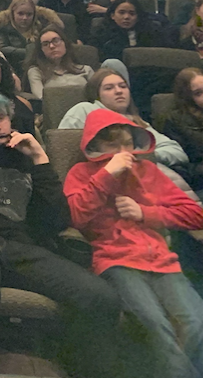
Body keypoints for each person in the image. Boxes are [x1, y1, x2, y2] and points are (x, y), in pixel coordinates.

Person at [0, 85, 121, 374]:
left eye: (0, 117)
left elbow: (57, 220)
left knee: (101, 297)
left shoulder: (27, 156)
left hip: (23, 246)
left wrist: (41, 160)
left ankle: (78, 368)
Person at [63, 107, 203, 378]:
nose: (122, 150)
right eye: (112, 144)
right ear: (94, 145)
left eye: (126, 143)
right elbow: (74, 216)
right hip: (115, 260)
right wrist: (106, 175)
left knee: (196, 324)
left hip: (161, 260)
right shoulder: (81, 173)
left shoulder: (147, 170)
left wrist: (146, 213)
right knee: (155, 324)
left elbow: (195, 214)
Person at [58, 66, 190, 182]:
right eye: (109, 88)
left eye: (123, 86)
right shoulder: (84, 110)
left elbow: (177, 152)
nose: (118, 91)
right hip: (96, 180)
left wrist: (140, 155)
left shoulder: (137, 121)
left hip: (139, 181)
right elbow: (62, 153)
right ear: (97, 95)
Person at [24, 24, 92, 97]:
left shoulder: (86, 70)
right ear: (41, 50)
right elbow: (42, 98)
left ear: (65, 43)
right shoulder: (36, 72)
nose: (51, 46)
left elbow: (98, 96)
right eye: (45, 44)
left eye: (56, 41)